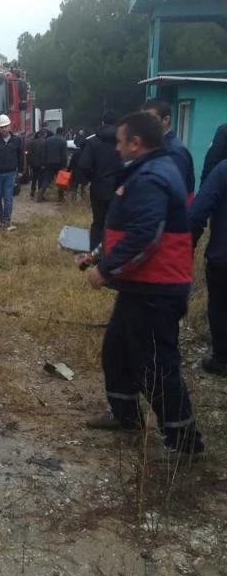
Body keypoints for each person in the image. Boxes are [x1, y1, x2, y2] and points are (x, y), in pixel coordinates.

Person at [79, 112, 204, 454]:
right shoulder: (143, 172)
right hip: (141, 286)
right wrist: (97, 253)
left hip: (156, 288)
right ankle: (126, 416)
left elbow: (146, 237)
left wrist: (105, 271)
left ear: (136, 143)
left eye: (120, 142)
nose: (116, 148)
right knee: (117, 352)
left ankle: (184, 444)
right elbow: (126, 228)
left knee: (156, 366)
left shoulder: (151, 177)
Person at [189, 158, 227, 375]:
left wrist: (188, 247)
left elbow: (197, 212)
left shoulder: (223, 170)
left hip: (223, 257)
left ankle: (222, 358)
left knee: (220, 306)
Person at [75, 112, 123, 249]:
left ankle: (95, 253)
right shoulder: (123, 142)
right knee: (117, 222)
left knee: (98, 222)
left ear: (102, 123)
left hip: (98, 188)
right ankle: (112, 250)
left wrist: (93, 177)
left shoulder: (93, 142)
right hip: (119, 189)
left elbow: (84, 165)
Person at [141, 98, 195, 202]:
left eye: (150, 120)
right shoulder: (155, 146)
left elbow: (176, 192)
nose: (145, 125)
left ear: (166, 120)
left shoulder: (174, 151)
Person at [0, 113, 24, 230]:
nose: (4, 129)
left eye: (6, 126)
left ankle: (6, 220)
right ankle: (1, 217)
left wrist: (21, 170)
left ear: (10, 126)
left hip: (10, 173)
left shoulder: (16, 140)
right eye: (1, 127)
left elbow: (20, 156)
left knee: (8, 198)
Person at [38, 127, 69, 202]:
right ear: (62, 132)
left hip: (49, 163)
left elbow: (44, 153)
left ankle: (40, 195)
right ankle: (61, 197)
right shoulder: (63, 140)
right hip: (60, 163)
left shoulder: (48, 140)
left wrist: (43, 163)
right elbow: (64, 154)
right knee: (61, 180)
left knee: (47, 179)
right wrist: (65, 165)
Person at [26, 127, 47, 199]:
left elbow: (30, 153)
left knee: (34, 178)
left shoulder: (32, 142)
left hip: (34, 164)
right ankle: (39, 193)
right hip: (42, 164)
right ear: (43, 134)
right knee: (41, 178)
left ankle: (32, 191)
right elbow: (44, 154)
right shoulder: (45, 142)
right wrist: (44, 164)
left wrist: (29, 163)